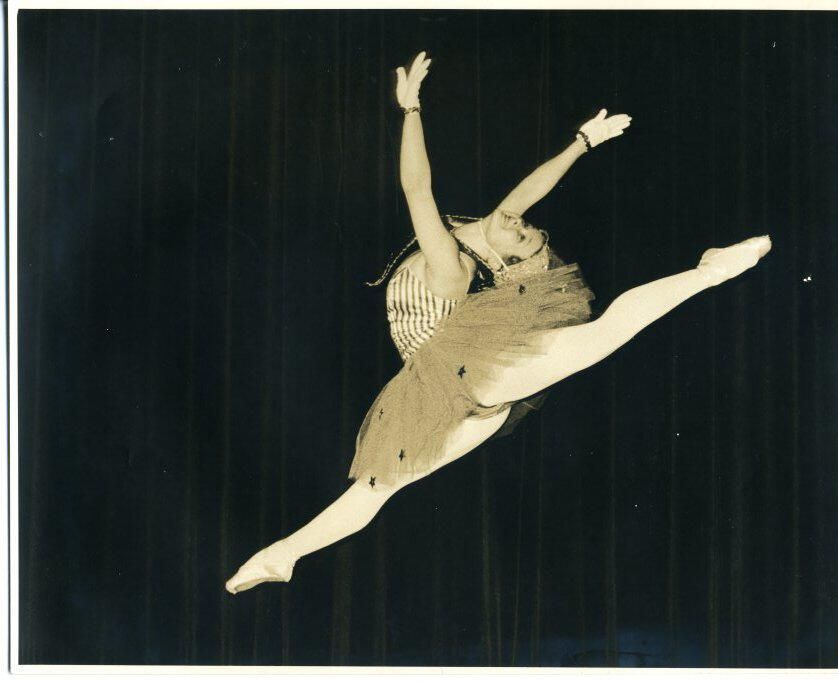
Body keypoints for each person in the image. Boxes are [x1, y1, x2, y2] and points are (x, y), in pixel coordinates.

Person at [225, 52, 770, 594]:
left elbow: (417, 188)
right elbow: (530, 190)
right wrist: (582, 143)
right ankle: (281, 556)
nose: (519, 221)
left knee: (601, 335)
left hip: (462, 374)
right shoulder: (491, 234)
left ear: (505, 264)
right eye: (527, 226)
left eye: (523, 234)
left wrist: (411, 109)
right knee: (375, 489)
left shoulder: (450, 268)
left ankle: (710, 271)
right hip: (444, 397)